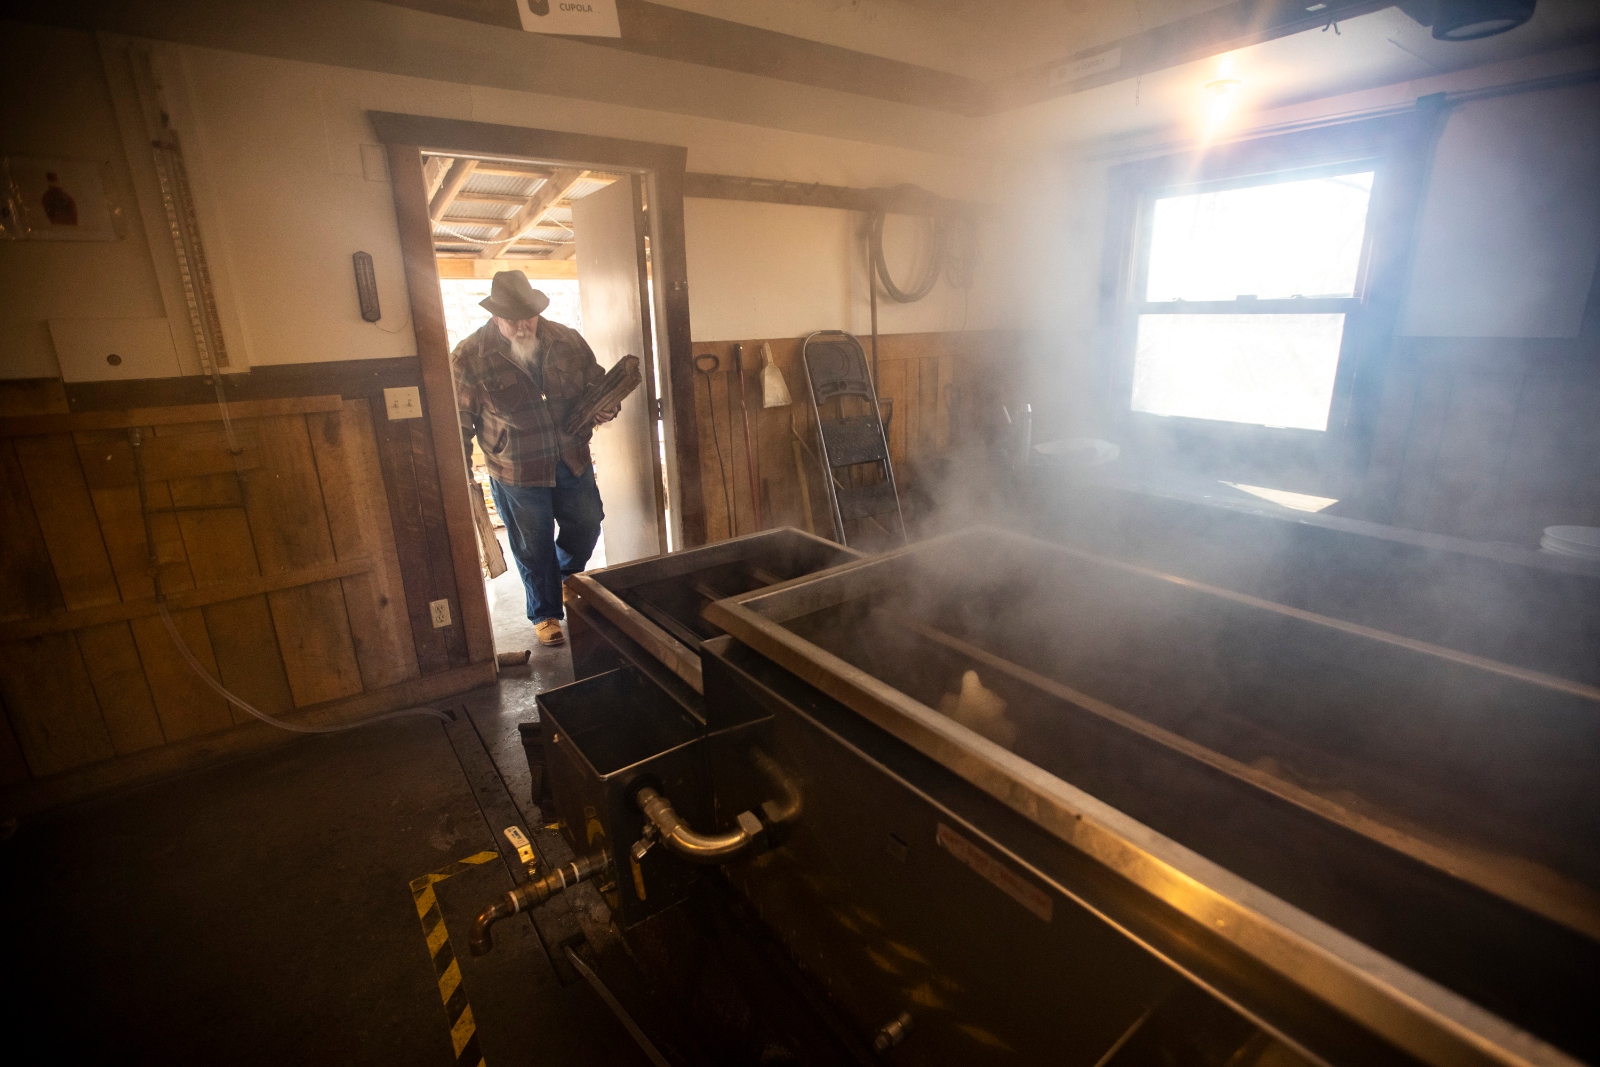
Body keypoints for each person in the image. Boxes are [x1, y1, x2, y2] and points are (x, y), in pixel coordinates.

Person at [452, 270, 616, 647]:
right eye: (512, 319)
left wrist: (608, 407)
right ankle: (544, 613)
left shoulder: (567, 340)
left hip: (571, 457)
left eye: (528, 316)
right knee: (532, 544)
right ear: (496, 317)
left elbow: (598, 383)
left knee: (588, 525)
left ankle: (561, 576)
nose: (522, 325)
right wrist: (462, 477)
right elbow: (456, 423)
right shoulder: (469, 356)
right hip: (515, 469)